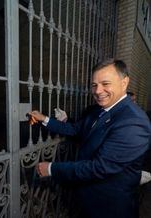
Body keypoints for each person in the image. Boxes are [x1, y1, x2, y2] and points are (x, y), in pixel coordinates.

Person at [29, 59, 151, 218]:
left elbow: (99, 167)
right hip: (88, 198)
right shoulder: (98, 110)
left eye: (105, 83)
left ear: (124, 82)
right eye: (94, 85)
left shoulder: (134, 122)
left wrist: (51, 168)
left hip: (110, 207)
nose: (98, 91)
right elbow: (75, 129)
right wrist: (44, 119)